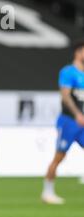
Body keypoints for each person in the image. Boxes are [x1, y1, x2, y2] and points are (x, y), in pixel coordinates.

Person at [42, 39, 84, 204]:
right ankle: (47, 192)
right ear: (78, 52)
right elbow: (66, 96)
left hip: (82, 122)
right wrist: (77, 115)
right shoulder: (68, 72)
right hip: (69, 121)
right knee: (59, 157)